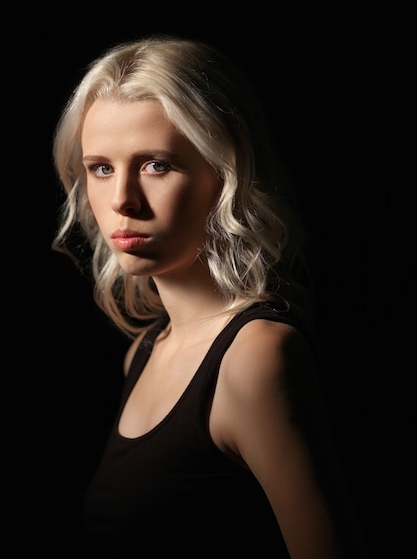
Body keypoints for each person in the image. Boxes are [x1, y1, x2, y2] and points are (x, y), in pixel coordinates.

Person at [51, 35, 369, 558]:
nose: (122, 201)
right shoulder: (143, 352)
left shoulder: (256, 356)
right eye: (101, 168)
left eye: (156, 164)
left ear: (224, 174)